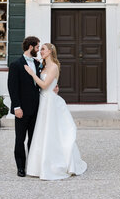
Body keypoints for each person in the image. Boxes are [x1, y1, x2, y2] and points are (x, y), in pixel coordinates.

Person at [24, 42, 87, 180]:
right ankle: (37, 167)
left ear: (50, 51)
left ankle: (54, 165)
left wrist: (31, 74)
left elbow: (45, 85)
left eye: (43, 49)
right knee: (41, 133)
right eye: (40, 49)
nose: (41, 51)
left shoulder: (53, 67)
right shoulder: (43, 65)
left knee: (52, 133)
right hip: (43, 101)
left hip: (50, 102)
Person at [7, 36, 41, 177]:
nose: (38, 50)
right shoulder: (16, 64)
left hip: (37, 108)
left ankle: (32, 166)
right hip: (22, 109)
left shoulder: (37, 63)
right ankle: (20, 167)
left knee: (34, 138)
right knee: (20, 139)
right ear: (31, 47)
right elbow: (12, 88)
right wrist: (16, 107)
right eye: (37, 47)